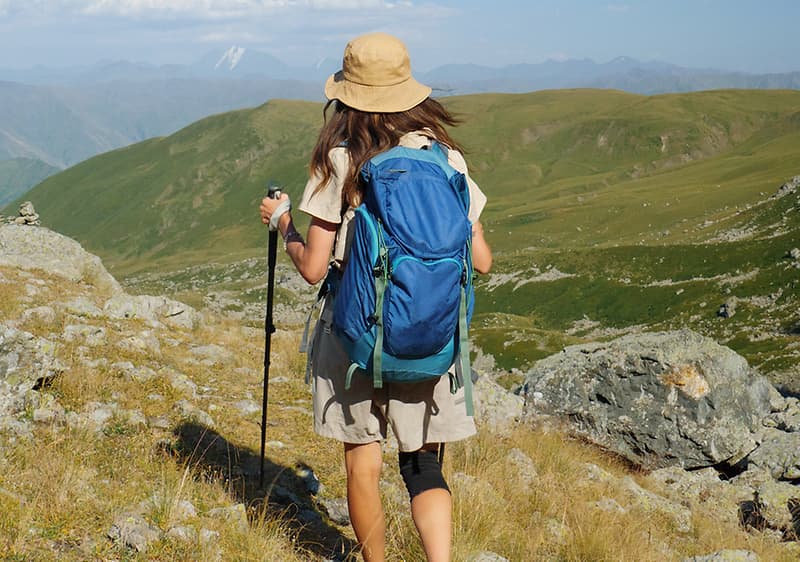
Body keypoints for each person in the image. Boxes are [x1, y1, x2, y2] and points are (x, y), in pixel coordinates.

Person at [259, 32, 492, 562]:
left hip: (357, 338)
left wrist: (284, 226)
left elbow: (315, 269)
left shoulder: (342, 161)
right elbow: (481, 261)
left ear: (347, 95)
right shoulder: (447, 159)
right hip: (432, 339)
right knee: (423, 465)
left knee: (363, 465)